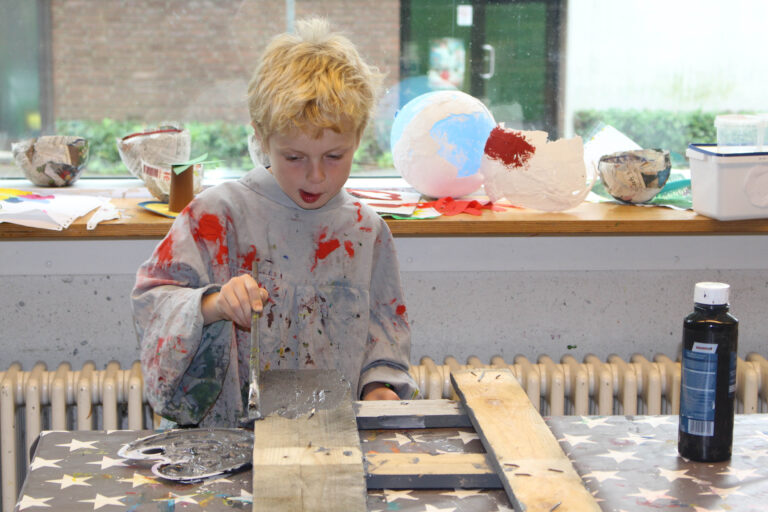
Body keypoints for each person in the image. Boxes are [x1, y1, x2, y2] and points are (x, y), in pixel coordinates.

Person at [131, 18, 419, 428]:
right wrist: (212, 304)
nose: (316, 176)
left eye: (334, 157)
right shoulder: (215, 216)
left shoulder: (365, 231)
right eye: (294, 157)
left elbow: (384, 343)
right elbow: (151, 303)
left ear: (358, 140)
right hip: (224, 444)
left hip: (330, 443)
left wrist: (378, 389)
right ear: (262, 139)